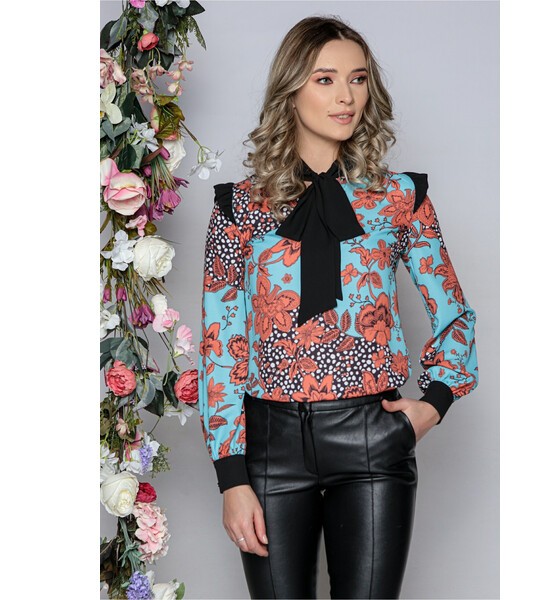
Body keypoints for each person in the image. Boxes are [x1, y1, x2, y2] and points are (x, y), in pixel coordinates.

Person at [197, 15, 478, 600]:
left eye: (358, 78)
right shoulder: (239, 208)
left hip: (372, 439)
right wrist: (231, 477)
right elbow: (221, 345)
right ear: (291, 88)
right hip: (270, 446)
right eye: (325, 79)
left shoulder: (401, 199)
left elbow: (454, 310)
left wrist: (433, 404)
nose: (346, 96)